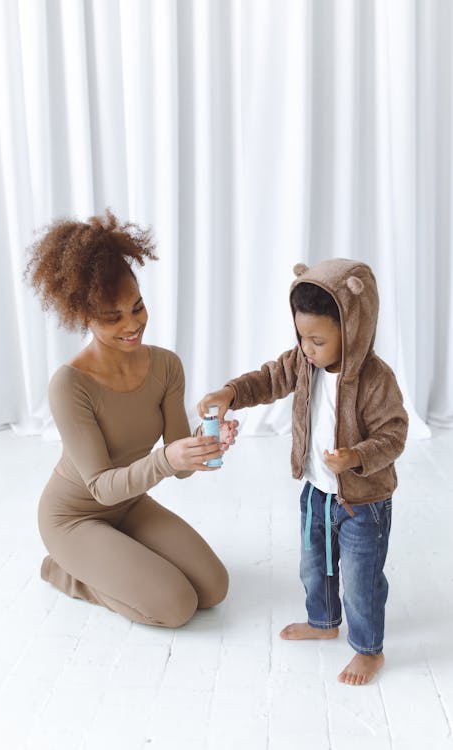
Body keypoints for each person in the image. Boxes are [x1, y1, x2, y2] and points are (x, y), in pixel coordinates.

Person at [197, 259, 408, 685]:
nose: (306, 348)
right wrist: (231, 392)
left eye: (317, 339)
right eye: (301, 337)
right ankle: (324, 620)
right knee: (314, 567)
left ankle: (369, 651)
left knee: (360, 578)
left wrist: (355, 457)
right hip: (316, 491)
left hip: (362, 502)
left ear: (352, 329)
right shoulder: (304, 362)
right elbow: (269, 379)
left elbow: (395, 434)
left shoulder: (374, 378)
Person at [26, 209, 237, 628]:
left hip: (130, 504)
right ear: (82, 316)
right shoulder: (69, 385)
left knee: (213, 588)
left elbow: (180, 470)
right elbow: (102, 487)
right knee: (176, 606)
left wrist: (204, 443)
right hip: (75, 517)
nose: (133, 324)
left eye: (137, 307)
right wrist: (168, 460)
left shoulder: (165, 366)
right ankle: (68, 572)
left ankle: (117, 557)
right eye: (113, 317)